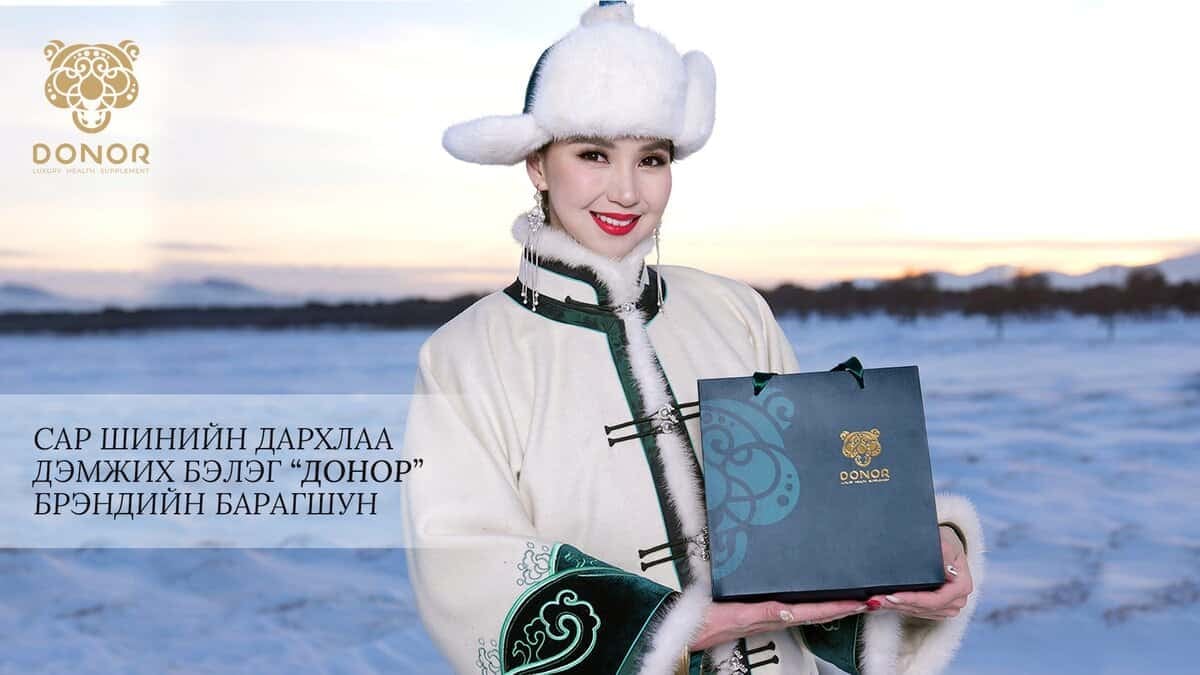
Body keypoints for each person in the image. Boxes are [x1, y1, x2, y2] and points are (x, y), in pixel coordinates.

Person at [402, 3, 985, 673]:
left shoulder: (735, 311)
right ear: (537, 163)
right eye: (593, 154)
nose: (627, 191)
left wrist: (918, 552)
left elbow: (815, 515)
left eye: (651, 158)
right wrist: (670, 627)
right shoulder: (463, 356)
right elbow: (460, 559)